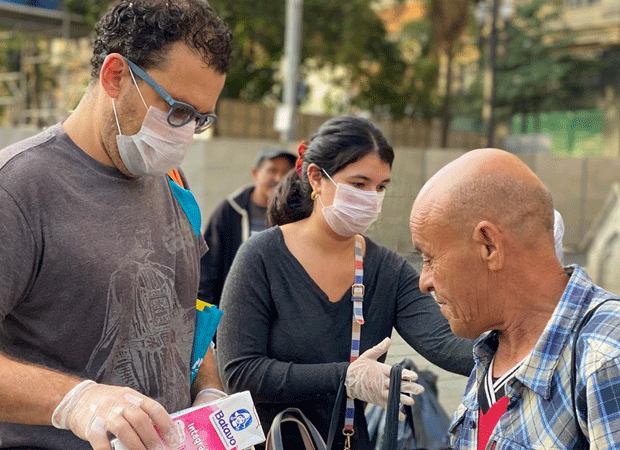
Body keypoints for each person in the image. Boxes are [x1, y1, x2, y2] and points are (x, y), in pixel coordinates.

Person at [0, 0, 232, 448]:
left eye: (199, 119)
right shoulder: (19, 189)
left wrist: (208, 387)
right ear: (115, 76)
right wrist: (77, 401)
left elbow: (184, 313)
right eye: (177, 110)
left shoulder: (170, 183)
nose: (184, 134)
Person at [216, 116, 474, 450]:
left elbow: (446, 342)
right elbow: (240, 373)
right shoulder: (261, 256)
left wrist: (520, 340)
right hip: (271, 440)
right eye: (359, 184)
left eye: (381, 187)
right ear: (315, 178)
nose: (371, 197)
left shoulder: (386, 270)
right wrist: (345, 377)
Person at [409, 148, 620, 449]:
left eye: (430, 258)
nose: (424, 281)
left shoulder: (604, 359)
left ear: (489, 246)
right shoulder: (493, 348)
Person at [198, 146, 295, 306]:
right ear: (255, 173)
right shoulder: (230, 210)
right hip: (233, 306)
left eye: (286, 172)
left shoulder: (296, 215)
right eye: (271, 170)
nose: (278, 178)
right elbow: (207, 268)